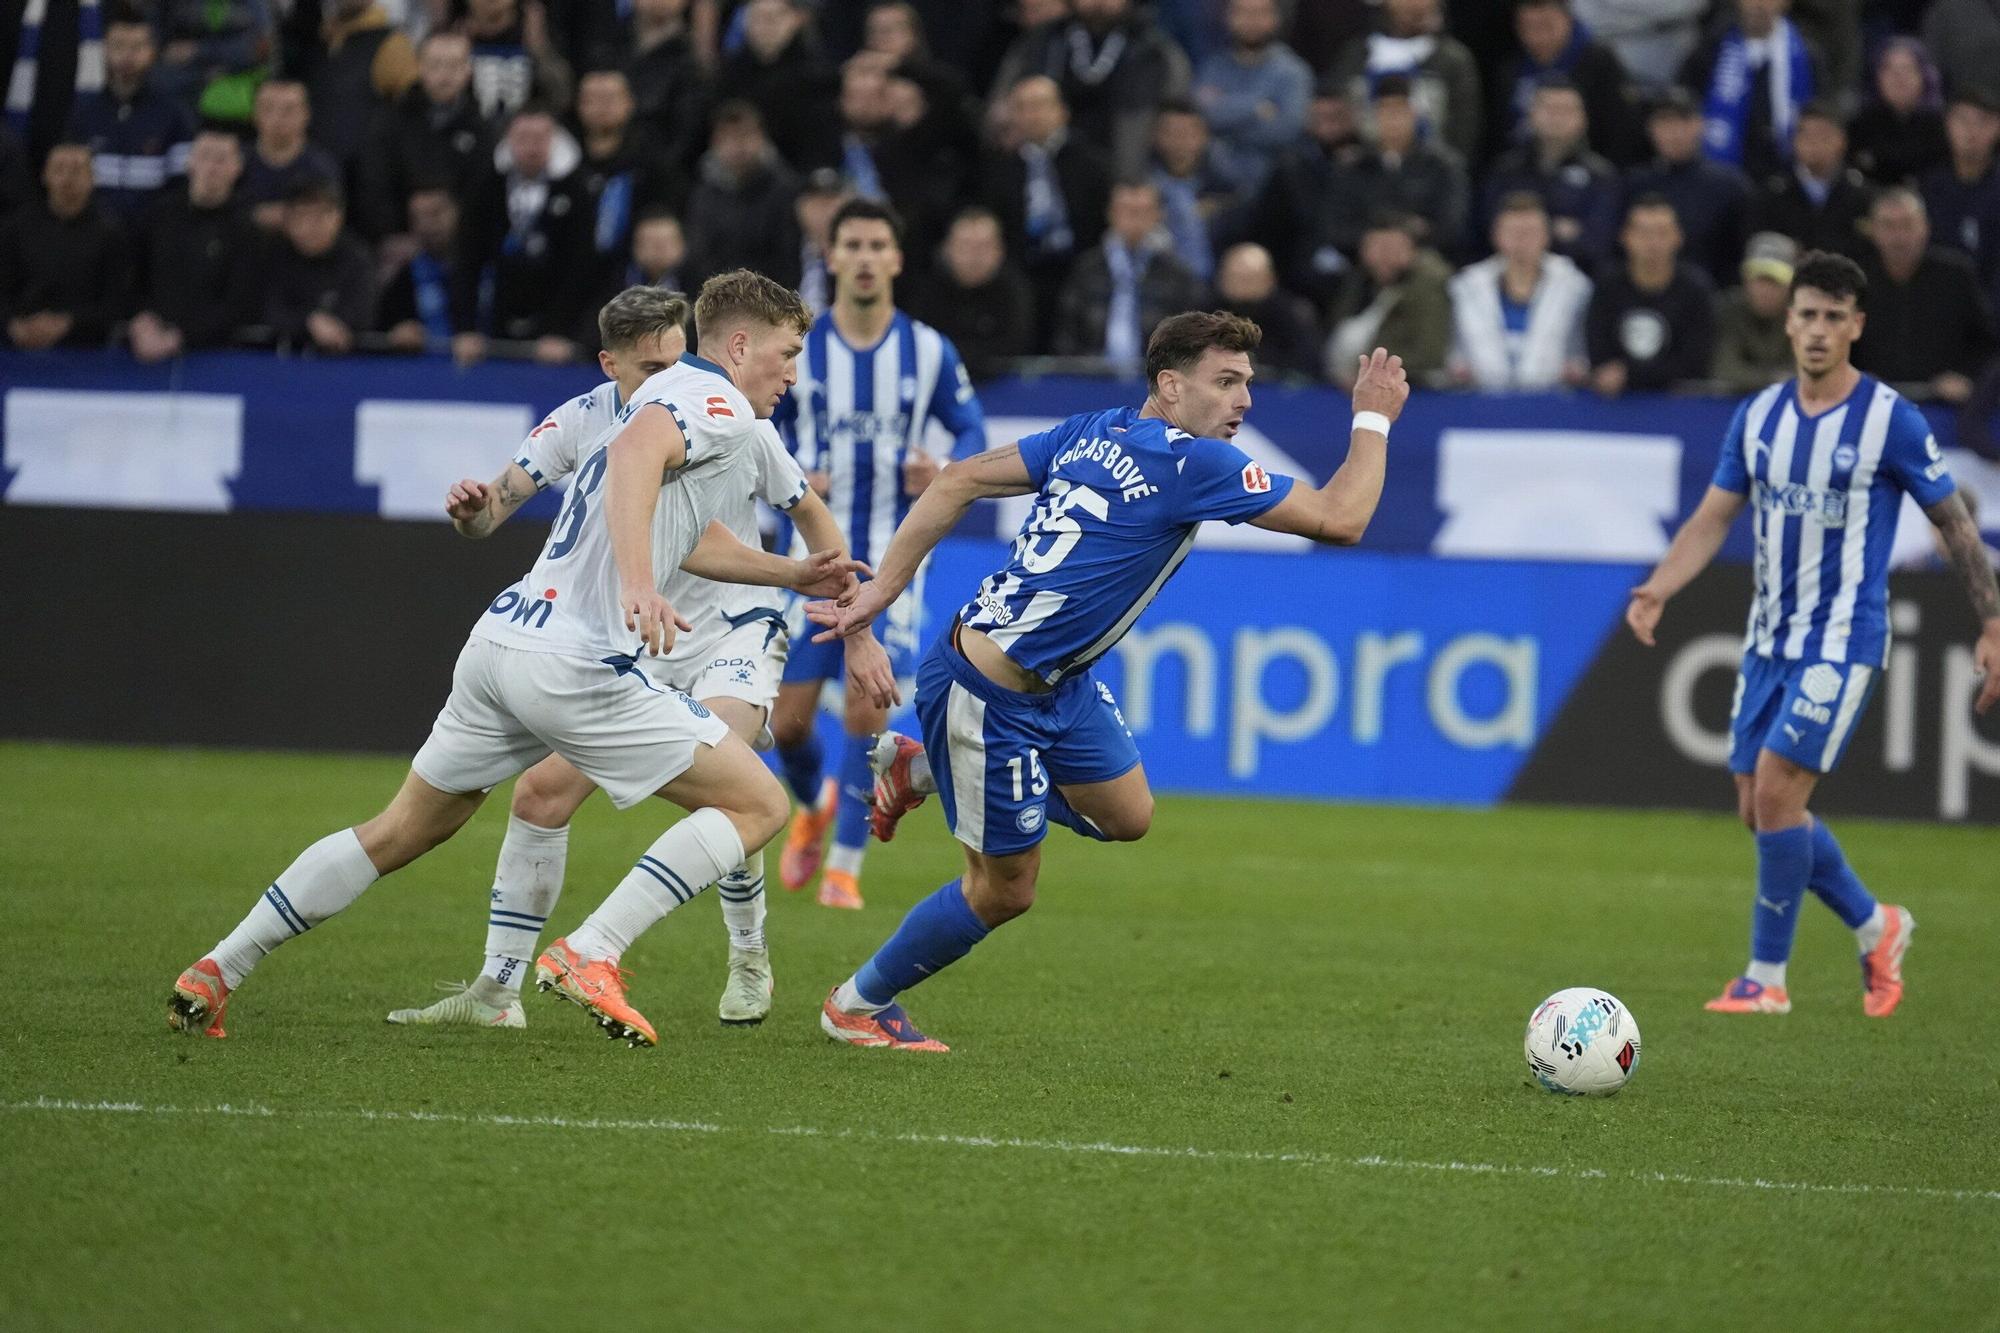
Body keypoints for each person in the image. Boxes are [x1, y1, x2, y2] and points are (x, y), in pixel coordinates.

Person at [167, 271, 870, 1046]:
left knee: (401, 828)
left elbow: (686, 528)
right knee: (758, 804)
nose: (794, 372)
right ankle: (591, 953)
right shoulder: (717, 401)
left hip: (505, 637)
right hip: (577, 659)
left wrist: (793, 573)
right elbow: (637, 460)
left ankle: (219, 967)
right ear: (740, 345)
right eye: (788, 352)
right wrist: (639, 585)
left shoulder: (645, 397)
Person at [799, 321, 1409, 1051]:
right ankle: (857, 1002)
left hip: (1060, 683)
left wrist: (884, 593)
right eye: (1226, 381)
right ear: (1170, 385)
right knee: (1004, 890)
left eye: (1247, 381)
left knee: (1127, 814)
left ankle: (921, 765)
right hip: (987, 695)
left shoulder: (1095, 430)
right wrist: (1372, 415)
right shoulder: (1197, 464)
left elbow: (957, 477)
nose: (1244, 398)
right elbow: (1342, 518)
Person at [384, 285, 891, 1030]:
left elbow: (808, 514)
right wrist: (479, 512)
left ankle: (735, 950)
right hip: (639, 635)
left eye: (670, 358)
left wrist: (857, 627)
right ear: (610, 363)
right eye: (645, 364)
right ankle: (496, 990)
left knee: (735, 783)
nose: (660, 376)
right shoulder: (593, 419)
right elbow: (498, 505)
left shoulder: (734, 417)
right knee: (539, 795)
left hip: (728, 629)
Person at [1626, 250, 2000, 1019]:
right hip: (1768, 640)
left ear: (1857, 326)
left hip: (1843, 639)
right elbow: (1712, 517)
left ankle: (1766, 978)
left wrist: (1992, 619)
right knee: (1759, 809)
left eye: (1836, 317)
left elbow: (1955, 524)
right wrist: (1659, 585)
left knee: (1776, 791)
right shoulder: (1758, 416)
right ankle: (1877, 923)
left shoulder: (1890, 420)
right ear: (1787, 320)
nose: (1820, 330)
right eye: (1808, 314)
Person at [769, 199, 988, 912]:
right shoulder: (799, 347)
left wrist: (944, 469)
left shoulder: (928, 349)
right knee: (789, 723)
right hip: (811, 561)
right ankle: (812, 804)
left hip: (893, 564)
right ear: (830, 258)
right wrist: (798, 474)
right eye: (852, 244)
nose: (864, 257)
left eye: (877, 245)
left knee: (869, 703)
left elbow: (973, 430)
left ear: (895, 259)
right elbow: (756, 426)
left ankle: (845, 865)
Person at [1853, 187, 1994, 403]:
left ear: (1925, 228)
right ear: (1873, 231)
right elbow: (1837, 340)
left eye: (1908, 225)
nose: (1899, 237)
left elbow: (1987, 341)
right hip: (1869, 402)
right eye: (1888, 226)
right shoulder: (1855, 280)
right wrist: (1854, 376)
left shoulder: (1956, 274)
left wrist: (1965, 376)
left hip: (1945, 405)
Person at [130, 127, 260, 362]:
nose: (212, 167)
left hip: (214, 357)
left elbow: (239, 303)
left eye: (221, 159)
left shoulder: (247, 230)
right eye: (205, 156)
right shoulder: (158, 216)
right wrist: (140, 320)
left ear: (237, 168)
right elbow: (131, 277)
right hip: (147, 348)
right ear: (190, 162)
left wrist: (180, 337)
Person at [1053, 179, 1207, 370]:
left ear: (1157, 215)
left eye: (1142, 211)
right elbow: (1066, 337)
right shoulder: (1086, 269)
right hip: (1090, 379)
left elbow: (1189, 340)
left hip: (1155, 380)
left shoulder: (1177, 276)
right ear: (1111, 213)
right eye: (1126, 210)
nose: (1134, 219)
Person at [1446, 192, 1592, 390]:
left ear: (1546, 236)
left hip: (1554, 403)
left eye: (1530, 233)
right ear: (1496, 236)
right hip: (1480, 402)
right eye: (1513, 232)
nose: (1521, 241)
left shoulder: (1575, 287)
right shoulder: (1465, 287)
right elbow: (1453, 350)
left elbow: (1582, 351)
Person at [64, 14, 197, 222]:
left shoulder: (174, 114)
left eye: (136, 47)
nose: (127, 56)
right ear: (105, 50)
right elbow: (69, 181)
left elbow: (182, 186)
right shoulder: (84, 113)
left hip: (154, 236)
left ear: (152, 52)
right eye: (118, 46)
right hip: (95, 236)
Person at [0, 142, 131, 351]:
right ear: (45, 175)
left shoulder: (111, 233)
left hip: (86, 350)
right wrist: (12, 325)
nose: (67, 178)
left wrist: (67, 324)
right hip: (18, 347)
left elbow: (116, 304)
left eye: (77, 170)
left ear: (92, 178)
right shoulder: (17, 229)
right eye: (59, 169)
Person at [1484, 76, 1621, 272]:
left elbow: (1598, 243)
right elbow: (1492, 230)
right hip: (1508, 272)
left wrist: (1530, 232)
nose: (1556, 117)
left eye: (1566, 110)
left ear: (1582, 119)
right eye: (1549, 109)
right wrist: (1558, 229)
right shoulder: (1506, 169)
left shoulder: (1601, 175)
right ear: (1531, 115)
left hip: (1580, 277)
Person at [1584, 195, 1716, 395]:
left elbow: (1696, 364)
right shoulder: (1607, 287)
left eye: (1662, 233)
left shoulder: (1696, 290)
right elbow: (1599, 356)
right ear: (1625, 237)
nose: (1653, 243)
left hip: (1679, 406)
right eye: (1644, 233)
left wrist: (1630, 375)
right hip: (1615, 404)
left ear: (1678, 237)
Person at [1681, 0, 1819, 185]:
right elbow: (1687, 101)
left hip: (1786, 173)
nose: (1758, 5)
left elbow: (1821, 109)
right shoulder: (1711, 49)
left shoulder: (1806, 54)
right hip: (1723, 172)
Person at [1191, 0, 1313, 196]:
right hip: (1213, 186)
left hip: (1274, 190)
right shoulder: (1213, 67)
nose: (1251, 21)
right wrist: (1256, 108)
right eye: (1243, 13)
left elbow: (1286, 130)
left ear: (1276, 19)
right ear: (1228, 17)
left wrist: (1224, 121)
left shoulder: (1293, 72)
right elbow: (1201, 118)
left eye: (1260, 13)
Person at [1326, 211, 1453, 387]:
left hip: (1410, 387)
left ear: (1411, 250)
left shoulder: (1430, 287)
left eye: (1391, 247)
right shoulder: (1358, 282)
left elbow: (1429, 354)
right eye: (1375, 246)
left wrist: (1368, 369)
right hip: (1348, 382)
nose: (1383, 255)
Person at [909, 205, 1035, 381]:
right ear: (947, 249)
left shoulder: (1014, 292)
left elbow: (1013, 345)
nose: (975, 256)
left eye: (984, 246)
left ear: (1000, 251)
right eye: (966, 246)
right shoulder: (928, 292)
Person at [1746, 100, 1871, 264]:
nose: (1814, 143)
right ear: (1795, 141)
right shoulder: (1771, 195)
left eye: (1823, 135)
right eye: (1806, 135)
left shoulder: (1863, 196)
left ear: (1842, 141)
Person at [260, 178, 375, 355]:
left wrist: (333, 326)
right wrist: (309, 322)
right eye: (302, 215)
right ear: (287, 222)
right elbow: (270, 309)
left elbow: (362, 313)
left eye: (321, 215)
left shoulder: (356, 257)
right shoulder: (275, 256)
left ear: (338, 217)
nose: (311, 225)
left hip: (347, 362)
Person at [238, 79, 343, 229]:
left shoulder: (322, 167)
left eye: (288, 110)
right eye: (268, 108)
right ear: (254, 113)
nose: (277, 119)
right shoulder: (235, 162)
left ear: (306, 114)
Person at [1847, 38, 1946, 189]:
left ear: (1924, 76)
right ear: (1877, 76)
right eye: (1889, 69)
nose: (1899, 77)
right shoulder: (1859, 126)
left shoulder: (1943, 127)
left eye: (1907, 69)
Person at [1213, 241, 1319, 378]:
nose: (1241, 286)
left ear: (1270, 279)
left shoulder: (1291, 315)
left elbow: (1306, 364)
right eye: (1234, 277)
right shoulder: (1205, 313)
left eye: (1248, 279)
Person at [379, 185, 464, 351]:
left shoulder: (488, 269)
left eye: (436, 213)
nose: (428, 225)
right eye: (418, 218)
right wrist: (397, 334)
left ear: (457, 212)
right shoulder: (404, 279)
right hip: (427, 371)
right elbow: (382, 331)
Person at [1712, 230, 1798, 392]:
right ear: (1745, 279)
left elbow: (1806, 374)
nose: (1765, 290)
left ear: (1791, 285)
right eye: (1759, 279)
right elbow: (1725, 370)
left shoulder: (1805, 316)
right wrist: (1775, 379)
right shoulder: (1729, 309)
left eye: (1775, 281)